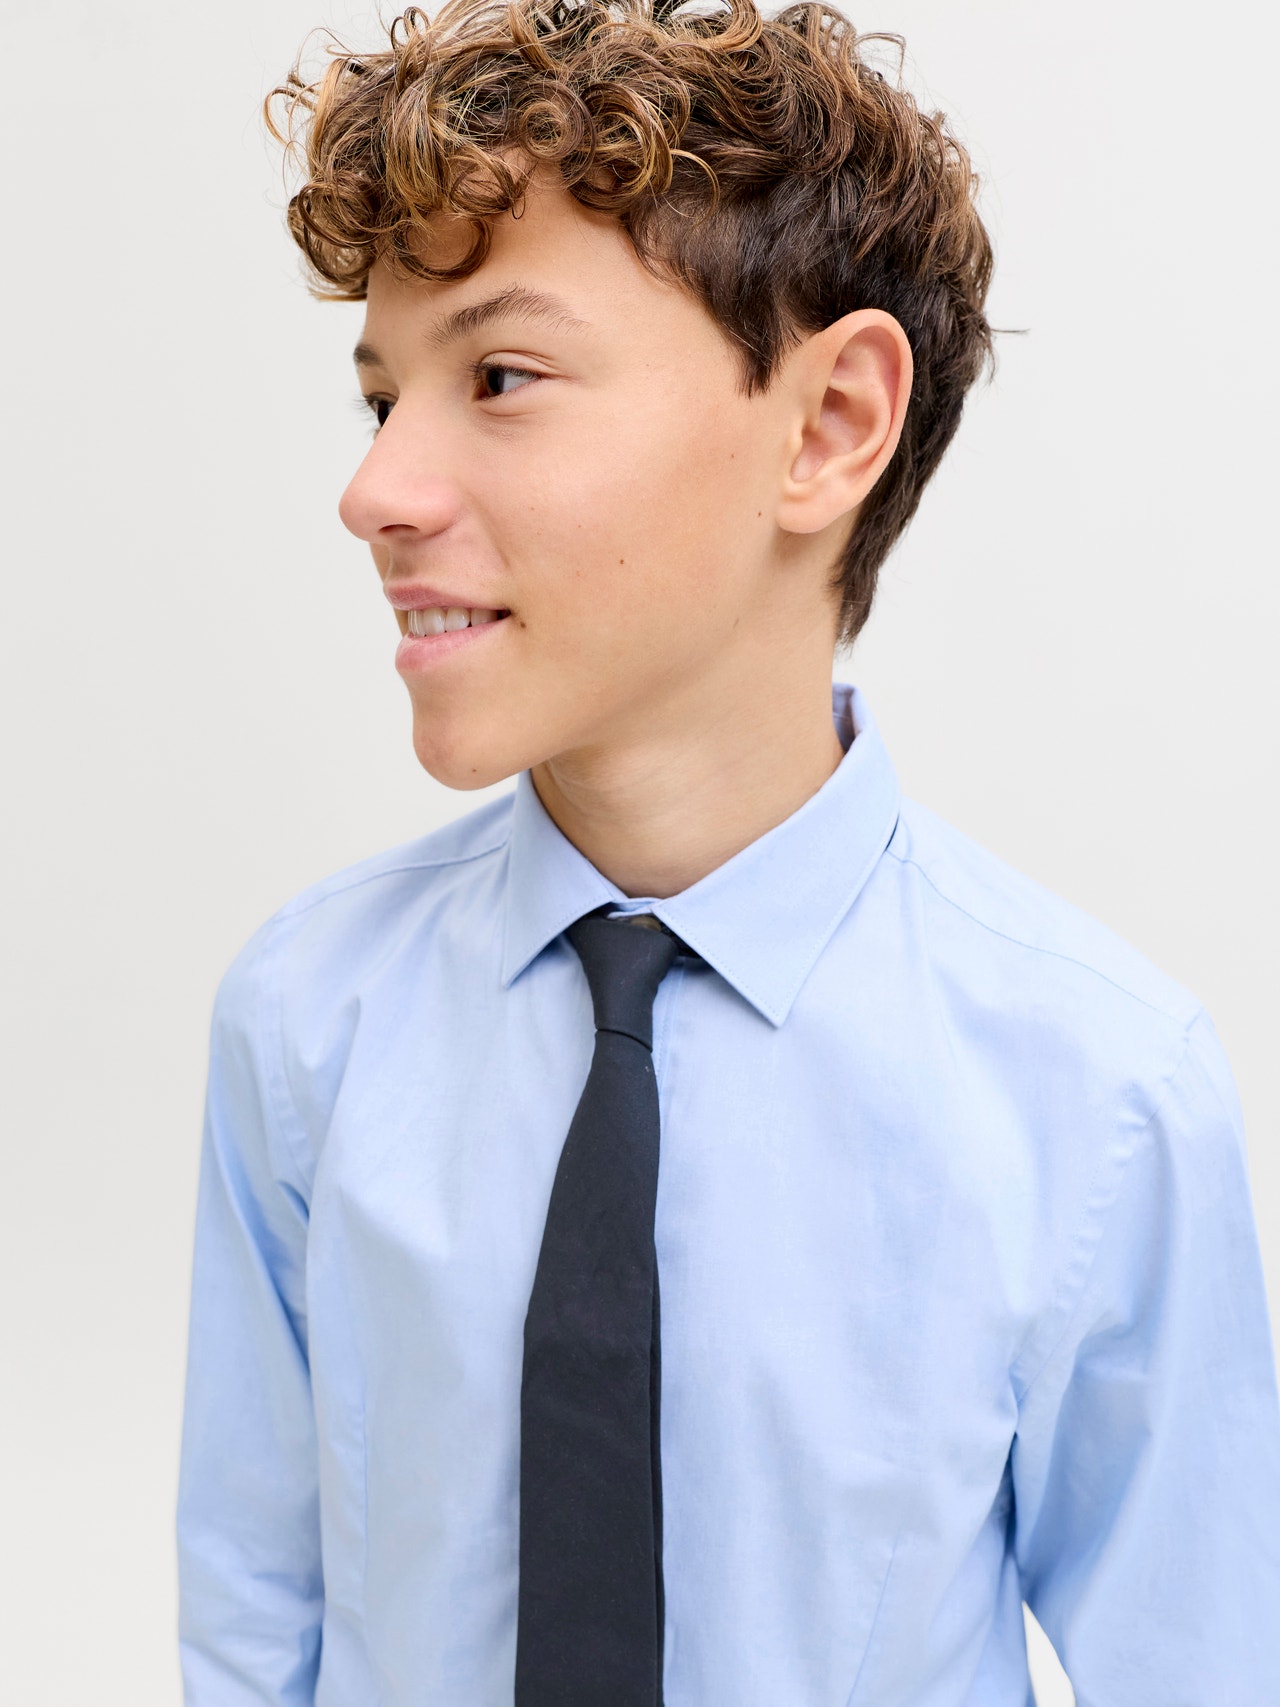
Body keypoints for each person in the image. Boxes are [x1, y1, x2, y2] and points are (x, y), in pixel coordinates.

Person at [175, 1, 1280, 1702]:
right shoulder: (309, 1021)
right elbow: (258, 1624)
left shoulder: (1099, 1097)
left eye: (500, 378)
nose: (376, 490)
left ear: (828, 423)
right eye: (381, 399)